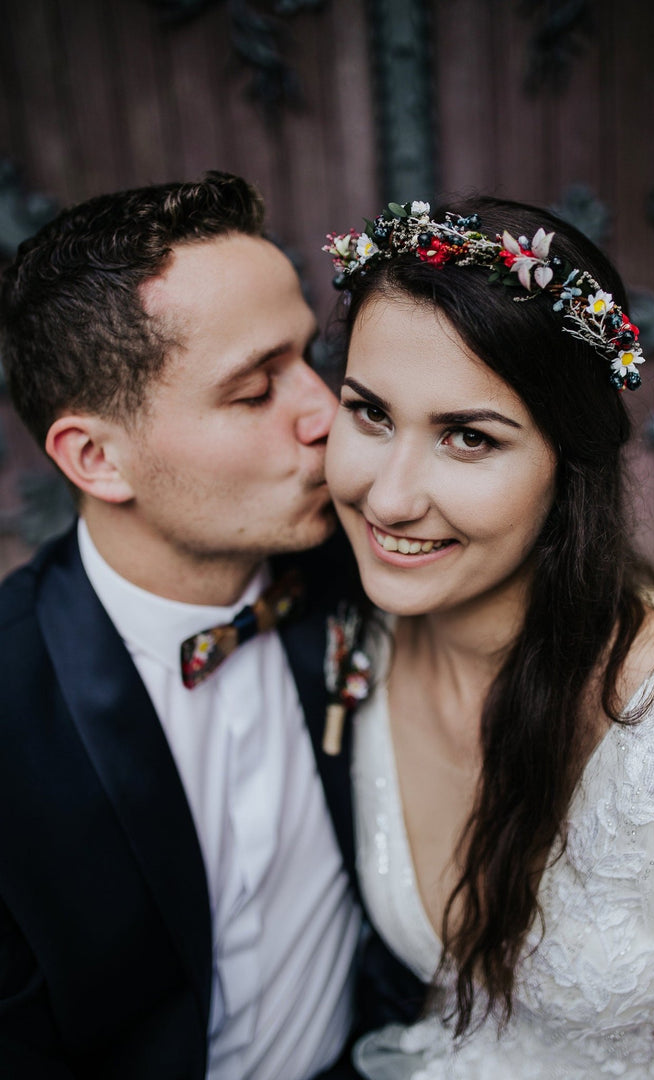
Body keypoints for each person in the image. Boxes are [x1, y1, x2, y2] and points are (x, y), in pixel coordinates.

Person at [0, 172, 422, 1080]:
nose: (326, 411)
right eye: (253, 390)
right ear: (96, 457)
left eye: (309, 357)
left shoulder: (381, 557)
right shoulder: (10, 705)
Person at [323, 196, 654, 1078]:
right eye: (371, 413)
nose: (389, 498)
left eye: (468, 437)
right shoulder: (354, 634)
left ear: (566, 466)